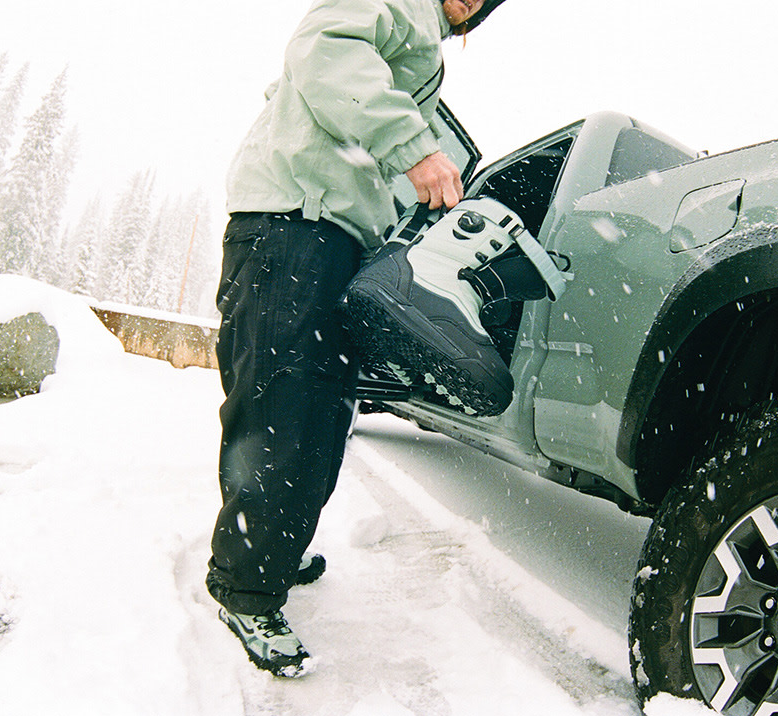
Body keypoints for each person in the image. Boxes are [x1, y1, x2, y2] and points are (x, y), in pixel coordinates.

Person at [207, 0, 506, 678]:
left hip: (339, 239)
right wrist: (417, 150)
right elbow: (324, 49)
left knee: (321, 415)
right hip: (291, 222)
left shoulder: (423, 48)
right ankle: (243, 585)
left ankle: (274, 550)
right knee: (280, 413)